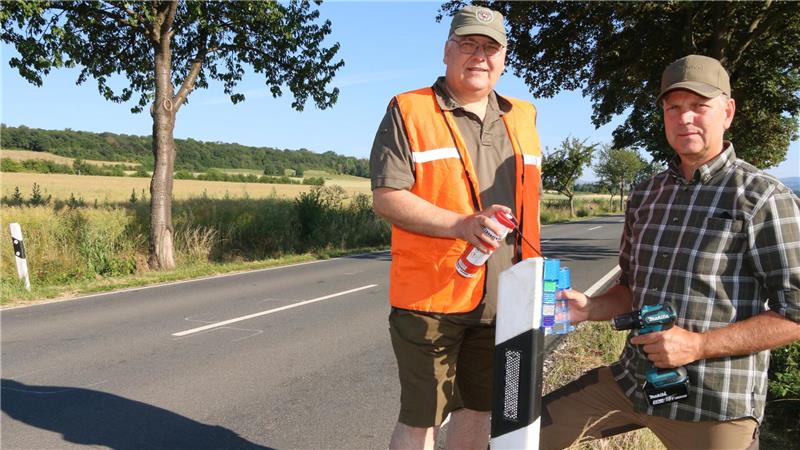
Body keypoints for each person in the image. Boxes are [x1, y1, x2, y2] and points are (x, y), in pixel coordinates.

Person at [542, 54, 800, 450]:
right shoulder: (646, 194)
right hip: (632, 384)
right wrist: (589, 308)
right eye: (673, 108)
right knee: (518, 433)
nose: (685, 119)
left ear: (727, 112)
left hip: (715, 404)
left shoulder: (763, 197)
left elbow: (794, 314)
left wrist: (697, 345)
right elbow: (632, 289)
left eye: (699, 106)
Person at [369, 5, 542, 449]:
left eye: (490, 48)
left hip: (507, 295)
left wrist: (541, 282)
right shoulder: (409, 109)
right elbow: (387, 198)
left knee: (480, 410)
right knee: (422, 418)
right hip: (430, 298)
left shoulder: (524, 116)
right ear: (447, 51)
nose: (479, 56)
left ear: (503, 58)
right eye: (468, 44)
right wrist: (462, 224)